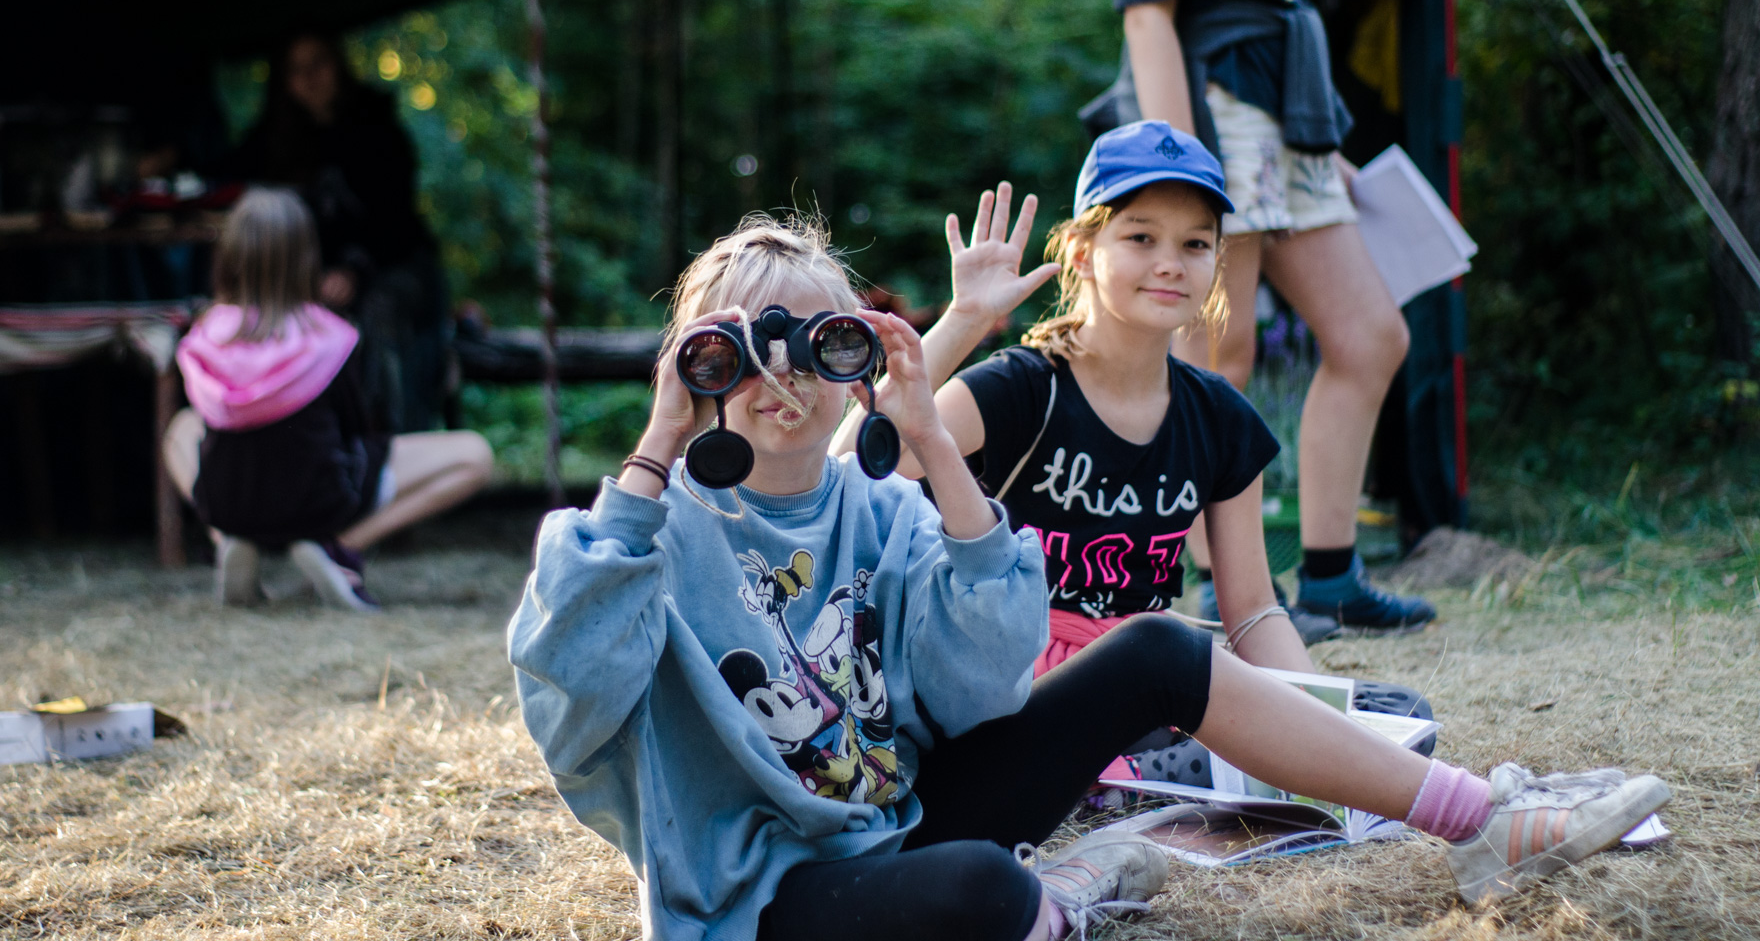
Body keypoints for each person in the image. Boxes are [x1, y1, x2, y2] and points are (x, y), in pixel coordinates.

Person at [510, 213, 1669, 941]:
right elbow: (570, 700)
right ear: (697, 367)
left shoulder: (880, 505)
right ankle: (1055, 898)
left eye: (817, 347)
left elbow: (983, 685)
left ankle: (1478, 819)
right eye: (740, 352)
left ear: (854, 357)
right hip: (763, 895)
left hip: (901, 820)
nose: (782, 382)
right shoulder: (648, 532)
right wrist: (656, 447)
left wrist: (934, 447)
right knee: (982, 892)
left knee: (1161, 645)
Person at [841, 127, 1426, 789]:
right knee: (1163, 673)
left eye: (1195, 244)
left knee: (1395, 714)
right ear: (1083, 254)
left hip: (1147, 671)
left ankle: (1163, 768)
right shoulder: (1021, 388)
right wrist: (965, 320)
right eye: (1142, 237)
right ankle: (1140, 774)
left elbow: (1254, 612)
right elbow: (846, 474)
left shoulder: (1221, 418)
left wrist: (1317, 718)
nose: (1170, 263)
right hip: (1008, 677)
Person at [1088, 0, 1433, 631]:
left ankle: (1331, 577)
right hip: (1215, 108)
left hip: (1288, 117)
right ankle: (1227, 593)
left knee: (1370, 336)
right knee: (1220, 354)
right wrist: (1180, 169)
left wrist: (1319, 141)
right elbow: (1148, 16)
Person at [163, 188, 493, 610]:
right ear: (307, 259)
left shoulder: (205, 338)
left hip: (231, 500)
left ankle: (227, 537)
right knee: (474, 454)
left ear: (228, 258)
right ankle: (337, 548)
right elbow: (354, 429)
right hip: (320, 503)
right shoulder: (331, 337)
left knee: (180, 428)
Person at [225, 32, 449, 432]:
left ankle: (394, 436)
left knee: (379, 314)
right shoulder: (271, 142)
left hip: (395, 269)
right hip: (311, 280)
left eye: (319, 63)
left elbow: (396, 221)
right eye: (297, 69)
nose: (310, 77)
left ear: (338, 66)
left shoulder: (379, 130)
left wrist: (355, 269)